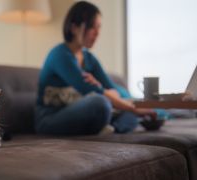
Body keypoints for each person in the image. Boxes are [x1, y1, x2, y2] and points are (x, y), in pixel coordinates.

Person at [34, 1, 156, 135]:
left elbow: (111, 87)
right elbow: (91, 89)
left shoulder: (89, 59)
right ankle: (107, 127)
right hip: (51, 119)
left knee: (127, 112)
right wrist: (132, 107)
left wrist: (135, 104)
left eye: (99, 27)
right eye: (92, 26)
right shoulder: (60, 55)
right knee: (100, 102)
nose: (97, 33)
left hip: (81, 114)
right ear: (74, 28)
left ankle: (111, 129)